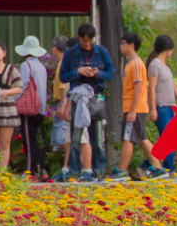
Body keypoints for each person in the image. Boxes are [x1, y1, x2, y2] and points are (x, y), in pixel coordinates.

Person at [60, 23, 115, 182]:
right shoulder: (71, 54)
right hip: (78, 96)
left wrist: (98, 73)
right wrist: (78, 71)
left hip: (96, 96)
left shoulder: (102, 52)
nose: (88, 44)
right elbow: (63, 77)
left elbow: (111, 73)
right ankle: (75, 173)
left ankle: (98, 172)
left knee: (97, 139)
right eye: (85, 41)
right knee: (75, 139)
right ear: (79, 38)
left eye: (90, 41)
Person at [108, 34, 166, 181]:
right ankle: (158, 167)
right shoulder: (129, 63)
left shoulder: (137, 64)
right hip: (132, 107)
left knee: (127, 139)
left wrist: (132, 110)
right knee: (142, 138)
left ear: (132, 45)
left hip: (136, 108)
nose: (121, 46)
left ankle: (122, 171)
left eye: (123, 44)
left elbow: (139, 87)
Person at [147, 35, 177, 173]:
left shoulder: (165, 66)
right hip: (161, 107)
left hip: (169, 107)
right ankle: (166, 168)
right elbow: (151, 88)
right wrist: (153, 109)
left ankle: (151, 166)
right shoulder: (155, 65)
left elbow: (172, 86)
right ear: (167, 49)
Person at [15, 36, 48, 180]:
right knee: (33, 139)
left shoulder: (25, 65)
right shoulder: (41, 66)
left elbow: (21, 86)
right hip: (39, 108)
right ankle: (43, 170)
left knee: (28, 140)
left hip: (29, 109)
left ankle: (31, 171)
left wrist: (15, 102)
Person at [0, 41, 23, 171]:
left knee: (4, 143)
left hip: (7, 109)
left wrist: (7, 92)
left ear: (4, 53)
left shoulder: (11, 69)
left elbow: (19, 88)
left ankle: (2, 173)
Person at [49, 36, 73, 182]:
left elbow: (64, 85)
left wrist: (63, 106)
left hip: (62, 102)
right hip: (60, 101)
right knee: (59, 139)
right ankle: (71, 163)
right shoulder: (63, 62)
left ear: (55, 48)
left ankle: (75, 160)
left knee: (61, 138)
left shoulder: (63, 62)